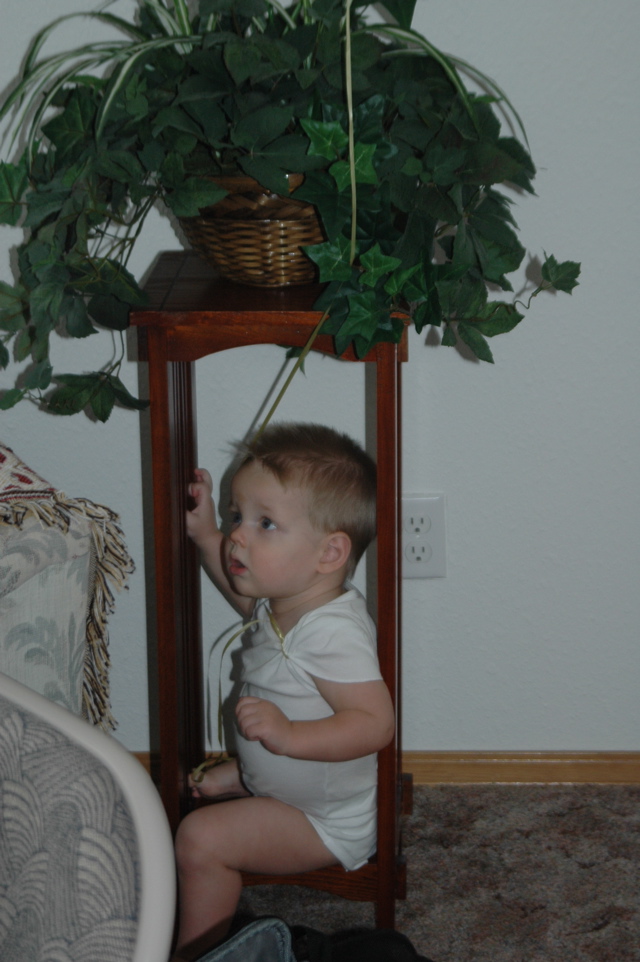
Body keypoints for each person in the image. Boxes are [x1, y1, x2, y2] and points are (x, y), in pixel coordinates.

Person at [174, 422, 395, 958]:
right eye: (236, 516)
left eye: (264, 523)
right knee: (208, 787)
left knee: (200, 840)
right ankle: (252, 778)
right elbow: (247, 602)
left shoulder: (333, 632)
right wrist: (204, 533)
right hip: (292, 789)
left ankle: (195, 951)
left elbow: (374, 723)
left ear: (329, 553)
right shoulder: (288, 602)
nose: (238, 536)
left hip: (323, 823)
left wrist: (288, 734)